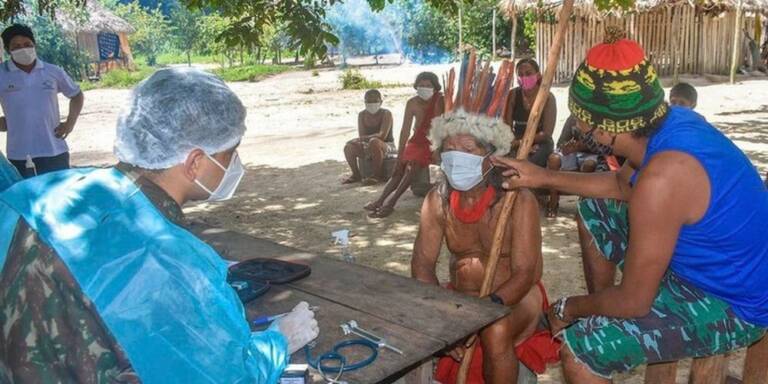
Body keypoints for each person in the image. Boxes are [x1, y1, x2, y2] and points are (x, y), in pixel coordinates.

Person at [0, 68, 319, 383]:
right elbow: (226, 375)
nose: (234, 164)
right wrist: (280, 340)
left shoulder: (33, 194)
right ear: (195, 162)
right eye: (230, 153)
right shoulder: (173, 261)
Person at [492, 28, 768, 383]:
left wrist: (567, 308)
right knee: (595, 210)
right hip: (716, 265)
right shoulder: (672, 123)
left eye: (580, 117)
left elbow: (637, 301)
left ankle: (602, 317)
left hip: (735, 303)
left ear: (601, 128)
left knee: (581, 352)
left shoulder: (662, 179)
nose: (577, 124)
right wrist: (540, 176)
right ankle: (606, 307)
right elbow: (621, 185)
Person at [413, 110, 559, 383]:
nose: (457, 157)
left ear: (490, 157)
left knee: (495, 327)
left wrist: (484, 311)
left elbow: (527, 273)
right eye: (449, 149)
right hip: (461, 297)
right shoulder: (437, 201)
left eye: (468, 149)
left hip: (514, 299)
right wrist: (443, 315)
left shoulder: (517, 199)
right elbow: (422, 265)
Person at [0, 24, 84, 178]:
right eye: (16, 46)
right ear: (7, 50)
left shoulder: (52, 71)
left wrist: (69, 124)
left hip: (54, 150)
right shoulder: (2, 75)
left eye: (27, 44)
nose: (23, 49)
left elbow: (76, 95)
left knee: (59, 195)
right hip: (19, 153)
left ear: (34, 45)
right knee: (26, 199)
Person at [365, 72, 444, 218]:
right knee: (399, 169)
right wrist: (401, 155)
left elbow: (440, 128)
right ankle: (380, 200)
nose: (424, 88)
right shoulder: (412, 103)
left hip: (435, 141)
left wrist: (436, 149)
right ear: (416, 86)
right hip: (417, 140)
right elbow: (405, 131)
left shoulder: (440, 100)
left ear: (435, 87)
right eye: (421, 85)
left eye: (428, 86)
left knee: (413, 165)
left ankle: (391, 203)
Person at [545, 115, 612, 217]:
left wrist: (581, 146)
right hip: (574, 153)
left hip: (592, 155)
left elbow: (603, 149)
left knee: (588, 165)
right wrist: (567, 147)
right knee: (553, 159)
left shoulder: (599, 122)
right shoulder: (573, 118)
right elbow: (561, 142)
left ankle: (582, 205)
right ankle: (553, 201)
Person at [503, 58, 556, 167]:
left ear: (537, 75)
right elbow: (507, 126)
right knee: (506, 161)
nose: (524, 77)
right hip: (515, 141)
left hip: (540, 142)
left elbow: (546, 134)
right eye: (520, 75)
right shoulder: (513, 95)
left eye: (528, 73)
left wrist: (524, 144)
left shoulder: (548, 98)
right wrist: (517, 144)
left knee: (528, 163)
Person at [342, 89, 396, 185]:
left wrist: (362, 139)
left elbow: (382, 136)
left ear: (381, 102)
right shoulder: (362, 115)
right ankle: (356, 174)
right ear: (365, 102)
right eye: (369, 101)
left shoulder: (386, 113)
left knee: (374, 142)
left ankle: (376, 176)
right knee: (348, 147)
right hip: (369, 145)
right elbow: (361, 136)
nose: (371, 104)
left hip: (387, 146)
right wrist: (358, 141)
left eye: (375, 101)